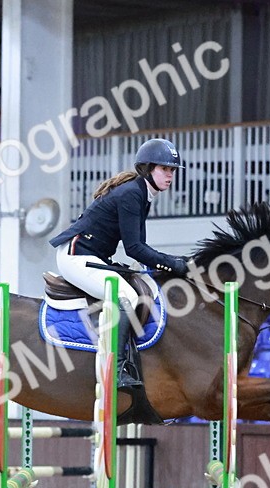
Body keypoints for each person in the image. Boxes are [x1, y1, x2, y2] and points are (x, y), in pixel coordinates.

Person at [49, 138, 190, 393]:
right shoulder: (131, 195)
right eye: (164, 169)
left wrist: (169, 264)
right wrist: (174, 264)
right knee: (126, 296)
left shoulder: (142, 194)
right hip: (75, 256)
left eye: (171, 170)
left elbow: (140, 248)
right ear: (147, 169)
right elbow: (135, 248)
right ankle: (116, 368)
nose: (170, 175)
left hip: (93, 256)